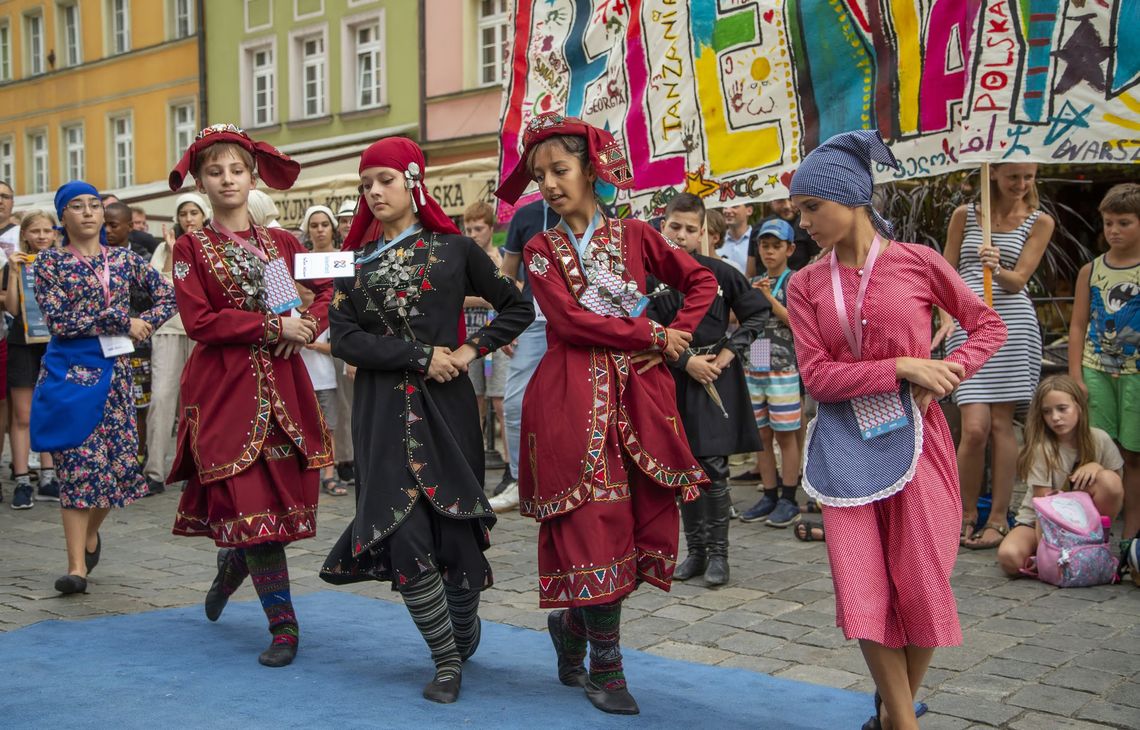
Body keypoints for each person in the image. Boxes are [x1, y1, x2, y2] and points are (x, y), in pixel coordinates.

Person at [496, 112, 717, 715]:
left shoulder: (639, 236)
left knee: (633, 520)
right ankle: (607, 669)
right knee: (592, 522)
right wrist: (652, 331)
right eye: (539, 175)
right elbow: (568, 321)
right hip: (568, 397)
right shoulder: (540, 249)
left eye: (560, 170)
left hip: (640, 399)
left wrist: (679, 334)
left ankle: (572, 625)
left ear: (591, 170)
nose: (548, 184)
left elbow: (701, 282)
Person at [784, 131, 1006, 730]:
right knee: (864, 588)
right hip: (842, 450)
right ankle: (904, 724)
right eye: (797, 210)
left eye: (810, 207)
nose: (802, 222)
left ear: (852, 197)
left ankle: (890, 716)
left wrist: (951, 371)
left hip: (919, 442)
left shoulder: (918, 262)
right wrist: (905, 366)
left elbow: (986, 325)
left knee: (923, 580)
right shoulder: (804, 284)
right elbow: (819, 378)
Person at [319, 137, 531, 703]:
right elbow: (344, 337)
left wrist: (469, 352)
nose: (374, 192)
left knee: (456, 534)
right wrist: (419, 356)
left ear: (413, 181)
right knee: (401, 531)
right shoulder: (352, 260)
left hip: (448, 410)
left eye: (384, 180)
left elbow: (518, 306)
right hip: (380, 414)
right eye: (366, 185)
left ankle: (462, 632)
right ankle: (445, 661)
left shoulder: (457, 249)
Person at [167, 124, 333, 668]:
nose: (227, 179)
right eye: (215, 172)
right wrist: (271, 328)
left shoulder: (281, 243)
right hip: (225, 392)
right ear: (200, 182)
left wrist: (306, 324)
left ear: (252, 175)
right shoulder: (191, 249)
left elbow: (334, 284)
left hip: (283, 390)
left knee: (270, 512)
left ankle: (231, 570)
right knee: (251, 507)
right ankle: (284, 628)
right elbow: (200, 320)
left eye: (236, 170)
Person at [32, 181, 176, 594]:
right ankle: (76, 567)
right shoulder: (50, 264)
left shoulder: (125, 260)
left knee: (116, 473)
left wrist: (145, 324)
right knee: (78, 467)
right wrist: (122, 320)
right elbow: (60, 321)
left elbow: (168, 295)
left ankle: (91, 537)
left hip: (116, 377)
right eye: (77, 206)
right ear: (64, 217)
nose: (88, 213)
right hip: (70, 376)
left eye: (94, 205)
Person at [934, 163, 1054, 550]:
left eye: (1029, 177)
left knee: (1002, 425)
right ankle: (964, 512)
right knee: (973, 428)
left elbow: (1019, 280)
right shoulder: (965, 216)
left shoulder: (1039, 221)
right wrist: (946, 318)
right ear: (994, 175)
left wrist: (997, 267)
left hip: (1011, 325)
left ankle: (999, 518)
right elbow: (944, 274)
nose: (1021, 185)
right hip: (968, 325)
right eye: (1013, 176)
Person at [650, 193, 767, 587]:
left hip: (715, 377)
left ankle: (719, 555)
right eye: (674, 227)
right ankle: (695, 552)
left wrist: (728, 354)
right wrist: (684, 362)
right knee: (684, 467)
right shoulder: (649, 279)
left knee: (713, 469)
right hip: (671, 378)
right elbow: (642, 333)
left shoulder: (721, 273)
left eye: (689, 229)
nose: (681, 236)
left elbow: (757, 312)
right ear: (661, 227)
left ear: (703, 233)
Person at [996, 375, 1124, 576]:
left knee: (1109, 480)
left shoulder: (1099, 439)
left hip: (1084, 523)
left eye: (1062, 409)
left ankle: (1094, 546)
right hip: (1038, 523)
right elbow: (1044, 509)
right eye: (1047, 412)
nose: (1055, 417)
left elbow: (1116, 487)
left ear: (1079, 407)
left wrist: (1096, 467)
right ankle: (1053, 559)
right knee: (1009, 557)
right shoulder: (1042, 448)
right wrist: (1048, 552)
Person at [1069, 182, 1140, 540]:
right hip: (1097, 371)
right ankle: (1095, 533)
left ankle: (1132, 536)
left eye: (1124, 222)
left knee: (1133, 455)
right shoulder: (1091, 270)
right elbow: (1078, 324)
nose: (1113, 230)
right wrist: (1075, 374)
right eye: (1109, 222)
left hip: (1135, 376)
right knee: (1098, 450)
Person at [491, 197, 562, 508]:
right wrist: (503, 319)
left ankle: (576, 479)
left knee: (578, 403)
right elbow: (508, 272)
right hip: (534, 322)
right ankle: (521, 481)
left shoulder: (596, 208)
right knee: (516, 404)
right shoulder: (525, 216)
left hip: (585, 321)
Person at [143, 193, 211, 495]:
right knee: (161, 398)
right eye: (184, 213)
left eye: (194, 212)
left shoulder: (212, 244)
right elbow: (161, 290)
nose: (189, 218)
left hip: (203, 332)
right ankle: (154, 471)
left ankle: (194, 469)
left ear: (204, 214)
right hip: (169, 329)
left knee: (196, 403)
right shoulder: (162, 248)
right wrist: (172, 251)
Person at [739, 218, 804, 528]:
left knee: (785, 434)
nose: (769, 251)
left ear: (789, 249)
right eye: (764, 246)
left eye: (776, 246)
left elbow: (797, 323)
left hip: (784, 364)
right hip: (757, 360)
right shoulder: (754, 280)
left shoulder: (795, 281)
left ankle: (789, 497)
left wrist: (765, 297)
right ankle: (768, 492)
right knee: (761, 433)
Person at [4, 211, 61, 509]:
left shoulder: (62, 263)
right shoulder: (14, 264)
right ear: (24, 234)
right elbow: (13, 308)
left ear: (54, 234)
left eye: (47, 230)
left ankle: (49, 476)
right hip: (22, 343)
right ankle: (23, 479)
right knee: (23, 415)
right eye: (35, 231)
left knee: (48, 411)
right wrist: (14, 273)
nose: (41, 236)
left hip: (53, 344)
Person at [298, 204, 345, 496]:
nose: (319, 229)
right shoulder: (302, 261)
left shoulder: (342, 259)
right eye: (313, 225)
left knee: (331, 422)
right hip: (304, 371)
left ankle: (334, 468)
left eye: (324, 224)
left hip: (329, 366)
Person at [104, 203, 155, 468]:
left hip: (137, 344)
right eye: (105, 225)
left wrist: (141, 323)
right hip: (104, 343)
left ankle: (138, 454)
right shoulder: (95, 256)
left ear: (129, 227)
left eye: (113, 225)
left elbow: (154, 297)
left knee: (139, 403)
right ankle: (112, 455)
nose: (107, 231)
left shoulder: (142, 256)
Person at [462, 201, 510, 465]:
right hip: (470, 337)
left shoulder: (502, 254)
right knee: (473, 403)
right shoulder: (462, 258)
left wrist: (500, 272)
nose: (472, 235)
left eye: (478, 229)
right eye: (468, 229)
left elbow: (516, 291)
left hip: (497, 337)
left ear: (491, 228)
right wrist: (483, 298)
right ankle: (472, 459)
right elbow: (455, 297)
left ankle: (509, 464)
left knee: (500, 401)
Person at [718, 203, 754, 273]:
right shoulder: (716, 241)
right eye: (725, 207)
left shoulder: (757, 240)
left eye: (734, 206)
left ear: (749, 211)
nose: (727, 211)